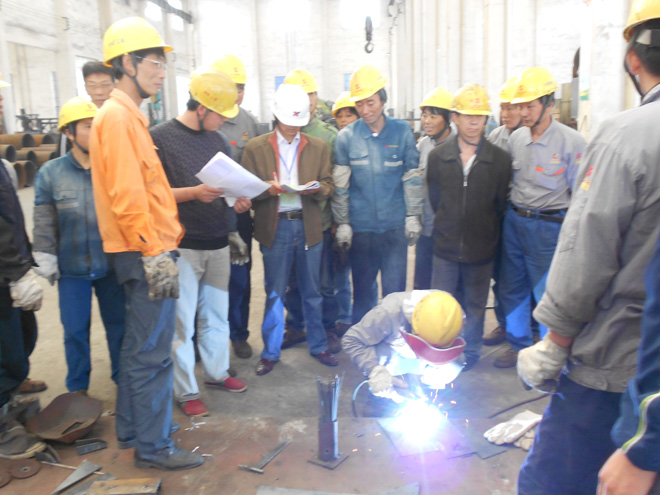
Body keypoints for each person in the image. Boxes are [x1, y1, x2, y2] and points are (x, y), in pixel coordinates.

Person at [516, 3, 660, 492]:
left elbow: (587, 253)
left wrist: (554, 342)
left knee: (553, 480)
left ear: (633, 59)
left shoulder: (626, 136)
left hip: (616, 365)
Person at [89, 16, 202, 471]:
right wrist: (155, 254)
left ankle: (135, 431)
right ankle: (155, 448)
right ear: (127, 63)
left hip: (145, 249)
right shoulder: (118, 118)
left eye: (163, 63)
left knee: (139, 347)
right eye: (154, 62)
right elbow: (127, 195)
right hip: (146, 252)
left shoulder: (128, 116)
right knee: (154, 354)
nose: (162, 71)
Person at [150, 70, 250, 418]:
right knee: (181, 324)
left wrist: (237, 201)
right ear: (202, 108)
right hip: (182, 245)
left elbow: (226, 187)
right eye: (221, 114)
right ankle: (186, 390)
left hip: (218, 242)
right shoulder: (160, 138)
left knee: (216, 316)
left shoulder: (218, 140)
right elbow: (152, 194)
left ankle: (217, 373)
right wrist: (193, 193)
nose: (224, 121)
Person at [241, 83, 336, 376]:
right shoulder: (256, 148)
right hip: (276, 228)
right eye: (287, 122)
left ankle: (318, 345)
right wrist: (267, 189)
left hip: (309, 226)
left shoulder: (318, 147)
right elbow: (245, 189)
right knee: (275, 292)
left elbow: (329, 184)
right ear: (276, 115)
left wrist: (317, 189)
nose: (293, 128)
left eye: (298, 122)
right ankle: (270, 352)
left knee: (312, 291)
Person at [32, 97, 125, 395]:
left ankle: (124, 382)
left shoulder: (112, 168)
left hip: (111, 265)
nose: (96, 132)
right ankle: (77, 390)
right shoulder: (51, 173)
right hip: (72, 269)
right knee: (75, 332)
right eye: (88, 126)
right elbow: (44, 219)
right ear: (69, 133)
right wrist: (44, 254)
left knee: (119, 327)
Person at [495, 67, 586, 369]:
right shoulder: (516, 139)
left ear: (549, 104)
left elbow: (581, 194)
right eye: (520, 106)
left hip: (549, 226)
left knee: (547, 292)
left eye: (530, 106)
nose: (523, 112)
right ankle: (518, 345)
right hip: (515, 221)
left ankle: (549, 354)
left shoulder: (572, 142)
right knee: (512, 288)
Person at [427, 84, 511, 371]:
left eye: (479, 116)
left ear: (486, 119)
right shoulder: (438, 157)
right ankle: (441, 350)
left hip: (481, 249)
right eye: (467, 116)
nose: (474, 122)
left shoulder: (500, 160)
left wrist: (484, 232)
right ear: (455, 118)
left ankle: (471, 351)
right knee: (442, 306)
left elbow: (500, 205)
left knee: (475, 306)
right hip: (445, 247)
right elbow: (435, 199)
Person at [333, 65, 422, 324]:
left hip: (394, 228)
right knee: (363, 294)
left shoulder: (402, 131)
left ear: (383, 100)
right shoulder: (346, 138)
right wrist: (343, 223)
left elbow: (411, 176)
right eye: (359, 104)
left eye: (370, 102)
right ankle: (365, 339)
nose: (365, 110)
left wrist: (413, 215)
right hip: (362, 230)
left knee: (395, 294)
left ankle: (394, 339)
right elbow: (341, 185)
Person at [0, 73, 47, 459]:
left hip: (12, 269)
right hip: (4, 272)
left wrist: (26, 263)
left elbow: (13, 219)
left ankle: (10, 393)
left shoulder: (3, 164)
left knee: (22, 339)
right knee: (6, 349)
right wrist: (15, 271)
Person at [280, 69, 342, 353]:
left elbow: (337, 182)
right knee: (292, 282)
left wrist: (339, 221)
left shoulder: (328, 137)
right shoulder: (280, 134)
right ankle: (295, 326)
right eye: (301, 94)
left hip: (320, 222)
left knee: (324, 284)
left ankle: (327, 328)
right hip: (289, 221)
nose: (308, 99)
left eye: (311, 93)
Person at [211, 54, 260, 360]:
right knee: (208, 281)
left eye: (241, 88)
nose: (237, 93)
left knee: (240, 278)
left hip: (240, 214)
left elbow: (257, 167)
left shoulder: (249, 123)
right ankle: (203, 337)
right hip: (207, 213)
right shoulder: (205, 120)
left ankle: (239, 334)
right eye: (232, 87)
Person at [342, 290, 465, 408]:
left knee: (453, 365)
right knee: (380, 357)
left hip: (419, 359)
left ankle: (427, 394)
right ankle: (380, 398)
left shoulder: (452, 314)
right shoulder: (388, 313)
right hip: (394, 355)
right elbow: (351, 339)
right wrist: (375, 371)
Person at [483, 76, 523, 346]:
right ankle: (503, 324)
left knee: (523, 278)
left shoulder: (530, 136)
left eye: (511, 108)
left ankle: (527, 331)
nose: (506, 114)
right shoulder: (496, 137)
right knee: (501, 275)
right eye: (503, 108)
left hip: (521, 214)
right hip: (499, 215)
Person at [413, 87, 455, 290]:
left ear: (448, 118)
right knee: (422, 285)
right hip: (426, 230)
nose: (427, 121)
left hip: (449, 234)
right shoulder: (424, 145)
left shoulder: (459, 146)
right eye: (424, 115)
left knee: (445, 288)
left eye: (433, 116)